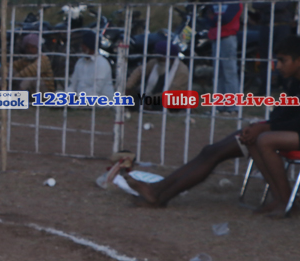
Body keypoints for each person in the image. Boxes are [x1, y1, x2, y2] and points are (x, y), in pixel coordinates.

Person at [126, 35, 300, 211]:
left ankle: (284, 200)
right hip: (284, 131)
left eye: (282, 61)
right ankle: (158, 192)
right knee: (214, 150)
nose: (278, 66)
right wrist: (260, 126)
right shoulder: (294, 81)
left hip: (290, 133)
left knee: (260, 139)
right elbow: (284, 112)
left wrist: (266, 127)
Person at [208, 0, 242, 115]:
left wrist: (215, 17)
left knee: (229, 72)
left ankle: (233, 107)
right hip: (215, 36)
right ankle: (220, 106)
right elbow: (209, 15)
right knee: (218, 73)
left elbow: (227, 18)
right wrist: (216, 18)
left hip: (228, 37)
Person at [254, 0, 296, 64]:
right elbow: (255, 4)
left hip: (281, 26)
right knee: (264, 56)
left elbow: (281, 5)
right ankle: (265, 75)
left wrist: (265, 5)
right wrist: (272, 4)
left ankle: (280, 75)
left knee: (281, 55)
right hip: (265, 25)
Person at [125, 40, 189, 101]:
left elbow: (172, 93)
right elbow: (139, 71)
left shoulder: (182, 71)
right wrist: (128, 87)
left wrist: (150, 100)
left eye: (161, 58)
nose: (158, 59)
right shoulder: (155, 62)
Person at [67, 31, 114, 97]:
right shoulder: (80, 62)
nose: (81, 47)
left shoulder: (102, 63)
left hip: (100, 100)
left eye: (84, 44)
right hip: (81, 99)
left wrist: (78, 98)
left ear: (90, 46)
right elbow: (73, 85)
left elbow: (96, 90)